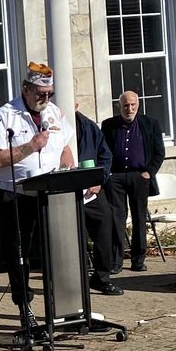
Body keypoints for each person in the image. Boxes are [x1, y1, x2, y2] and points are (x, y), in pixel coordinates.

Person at [0, 62, 75, 321]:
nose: (45, 99)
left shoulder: (53, 112)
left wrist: (69, 165)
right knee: (19, 254)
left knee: (55, 251)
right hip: (16, 195)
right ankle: (26, 309)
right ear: (25, 89)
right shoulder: (6, 115)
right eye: (40, 94)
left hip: (50, 195)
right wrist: (31, 146)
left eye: (49, 94)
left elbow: (64, 146)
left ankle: (63, 307)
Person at [101, 90, 166, 273]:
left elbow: (159, 152)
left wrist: (149, 172)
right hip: (116, 177)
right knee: (116, 219)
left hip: (140, 176)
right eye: (125, 105)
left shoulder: (150, 124)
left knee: (139, 218)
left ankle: (138, 261)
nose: (129, 109)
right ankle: (116, 262)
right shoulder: (108, 125)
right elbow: (103, 152)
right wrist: (108, 174)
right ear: (119, 106)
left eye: (132, 105)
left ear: (138, 105)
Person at [74, 105, 122, 297]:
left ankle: (102, 278)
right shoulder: (48, 125)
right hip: (63, 193)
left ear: (76, 105)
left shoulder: (88, 126)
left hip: (91, 192)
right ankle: (73, 283)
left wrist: (99, 179)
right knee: (74, 238)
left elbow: (105, 156)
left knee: (105, 226)